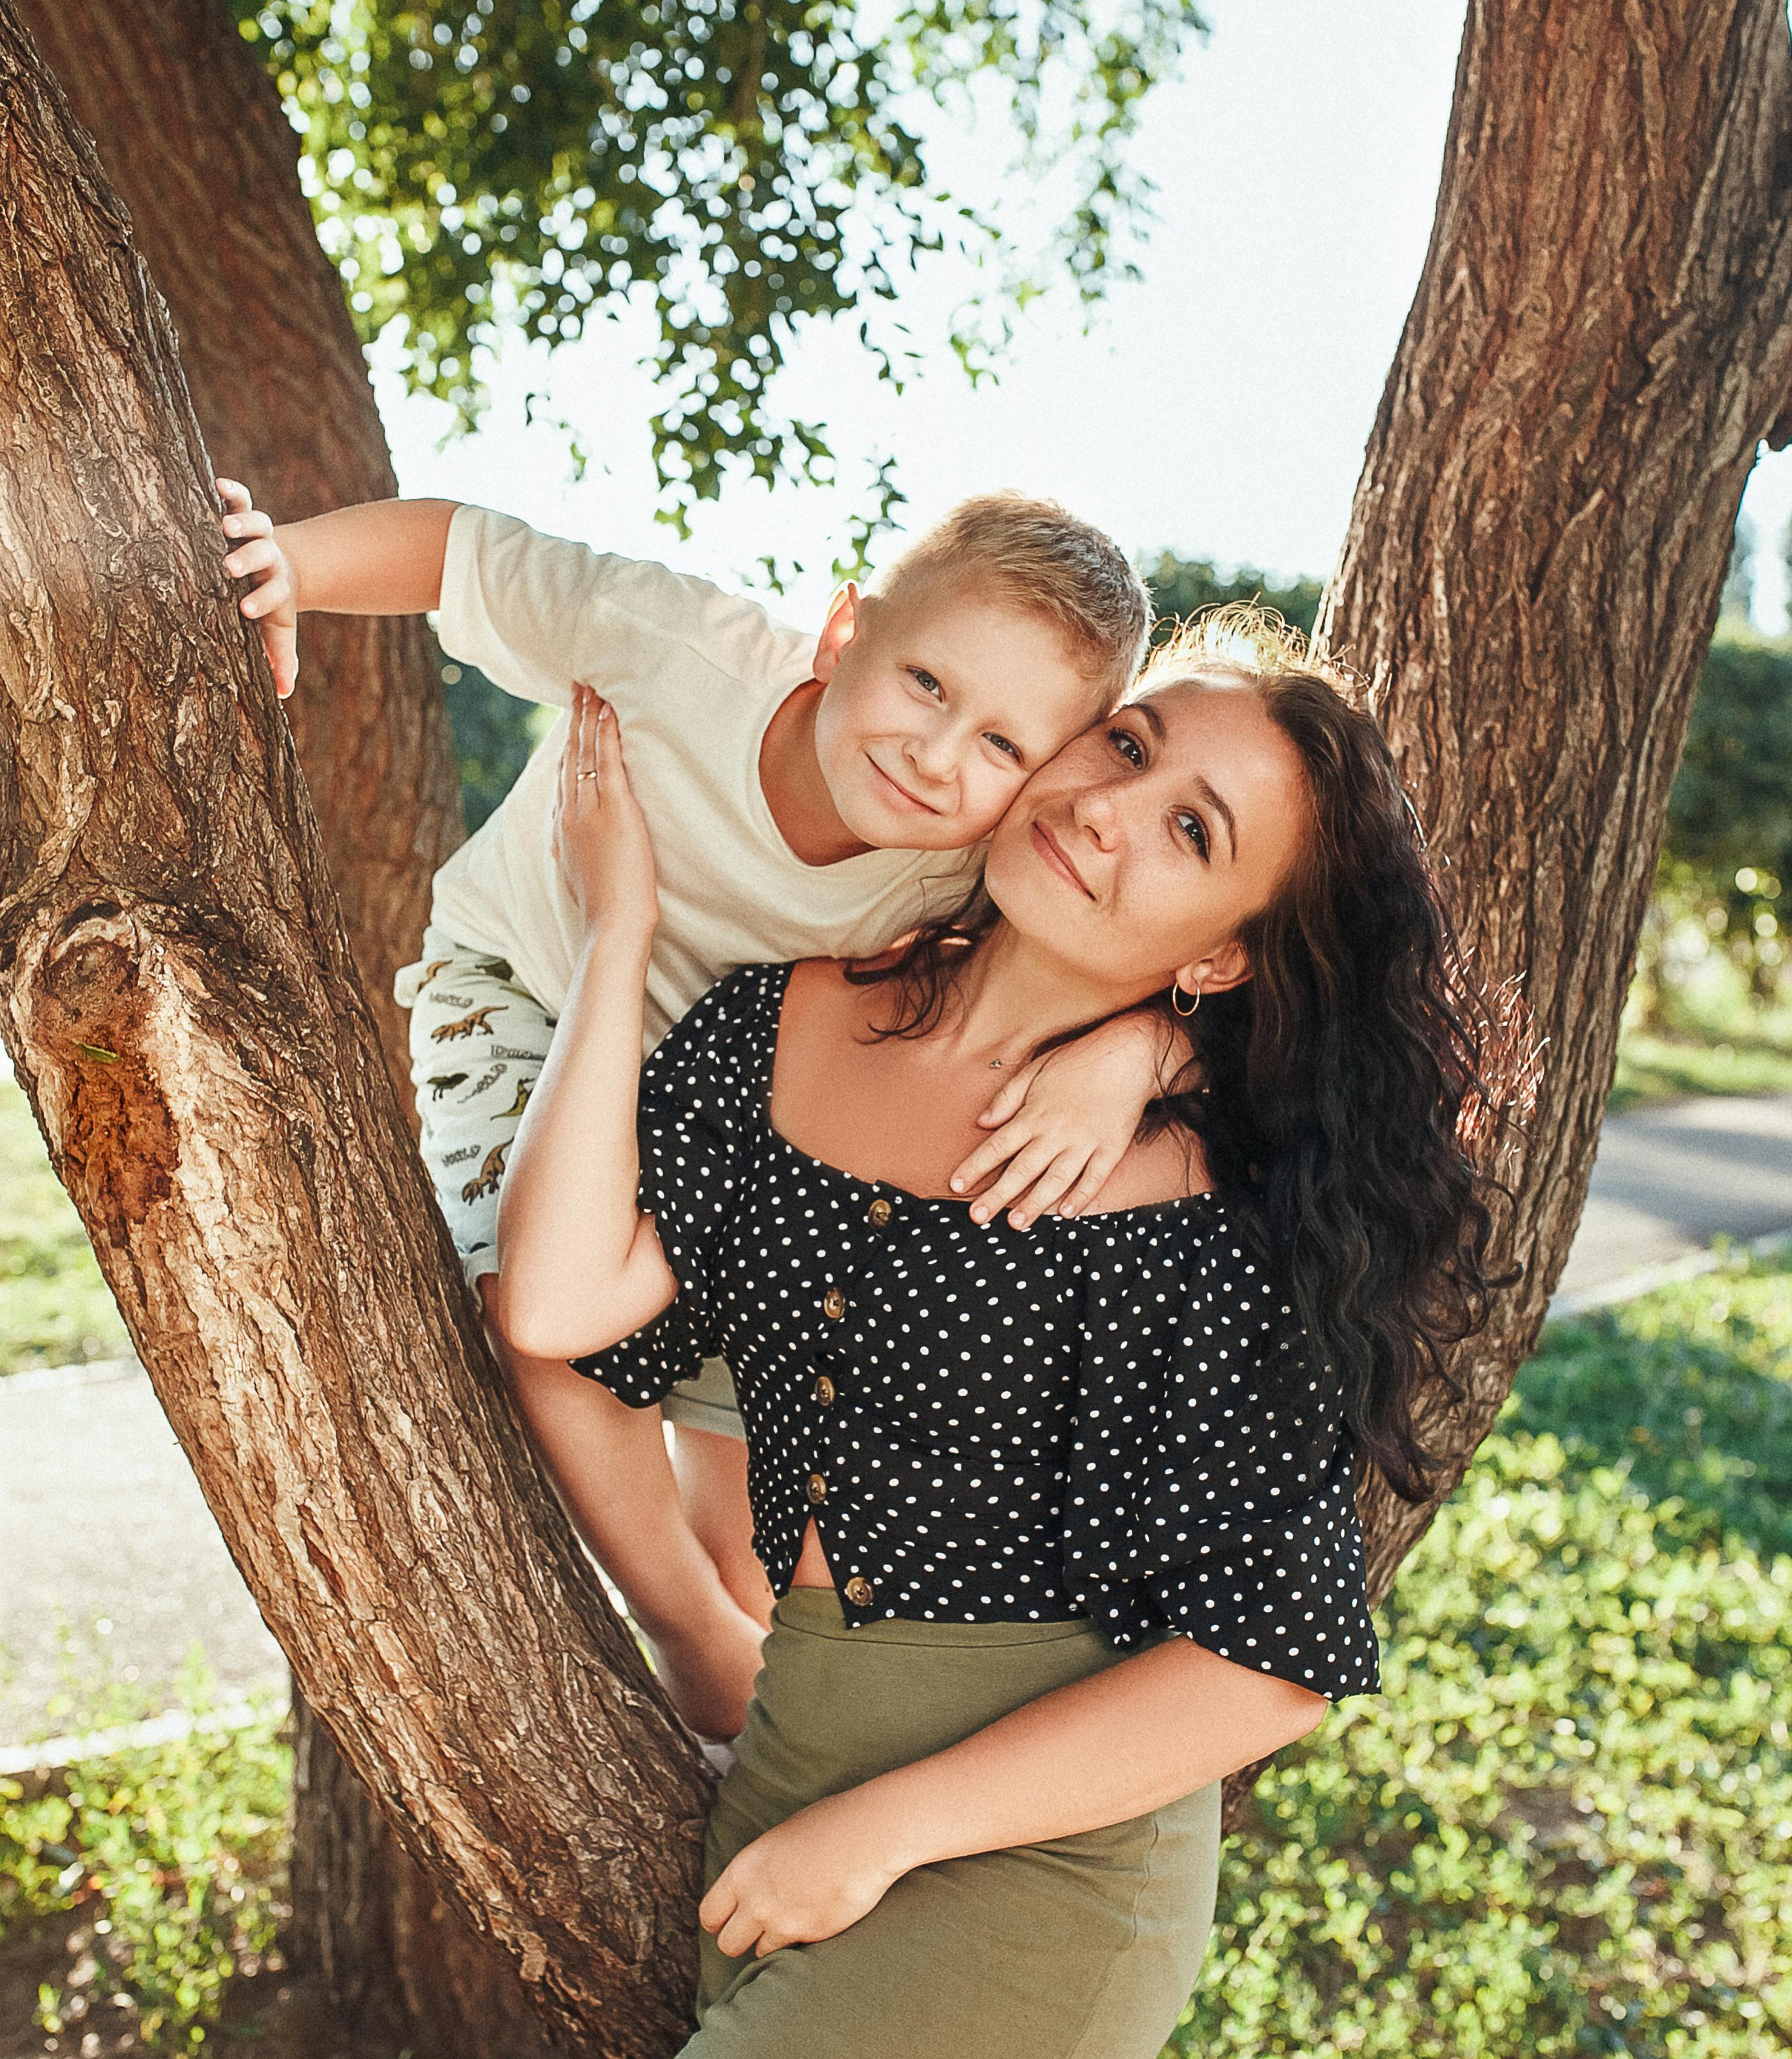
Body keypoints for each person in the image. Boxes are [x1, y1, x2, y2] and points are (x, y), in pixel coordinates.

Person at [477, 610, 1504, 2059]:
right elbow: (561, 1312)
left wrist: (878, 1834)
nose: (1112, 815)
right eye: (1126, 748)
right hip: (797, 1778)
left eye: (1194, 834)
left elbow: (1265, 1669)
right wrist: (619, 931)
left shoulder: (1194, 1207)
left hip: (1029, 1887)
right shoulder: (773, 1028)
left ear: (1222, 959)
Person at [217, 480, 1187, 1735]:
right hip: (527, 994)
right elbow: (468, 549)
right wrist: (289, 563)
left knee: (751, 1493)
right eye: (927, 686)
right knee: (539, 1312)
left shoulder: (974, 866)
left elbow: (1165, 964)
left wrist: (1143, 1055)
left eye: (1004, 746)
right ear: (847, 634)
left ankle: (756, 1662)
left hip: (732, 1109)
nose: (939, 758)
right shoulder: (675, 654)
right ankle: (685, 1630)